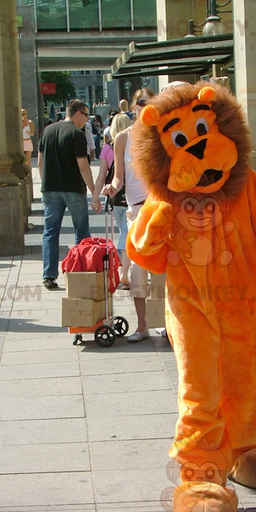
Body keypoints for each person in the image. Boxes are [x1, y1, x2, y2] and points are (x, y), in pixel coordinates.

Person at [102, 88, 155, 341]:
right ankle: (143, 326)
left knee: (163, 270)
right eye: (141, 103)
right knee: (137, 269)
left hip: (160, 206)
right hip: (136, 208)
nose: (145, 107)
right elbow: (119, 175)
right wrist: (112, 186)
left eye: (150, 102)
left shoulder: (161, 133)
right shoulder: (123, 138)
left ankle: (165, 324)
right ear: (133, 107)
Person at [37, 99, 102, 290]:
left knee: (50, 231)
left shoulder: (47, 131)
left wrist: (45, 182)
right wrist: (93, 192)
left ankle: (49, 274)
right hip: (73, 188)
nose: (87, 120)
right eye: (86, 115)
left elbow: (40, 162)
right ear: (78, 114)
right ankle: (80, 272)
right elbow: (83, 166)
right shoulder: (77, 134)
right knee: (81, 231)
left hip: (50, 189)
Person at [93, 111, 133, 288]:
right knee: (128, 231)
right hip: (132, 194)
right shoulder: (133, 145)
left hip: (115, 196)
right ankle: (125, 271)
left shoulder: (108, 148)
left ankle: (124, 271)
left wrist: (95, 197)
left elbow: (102, 176)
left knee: (124, 230)